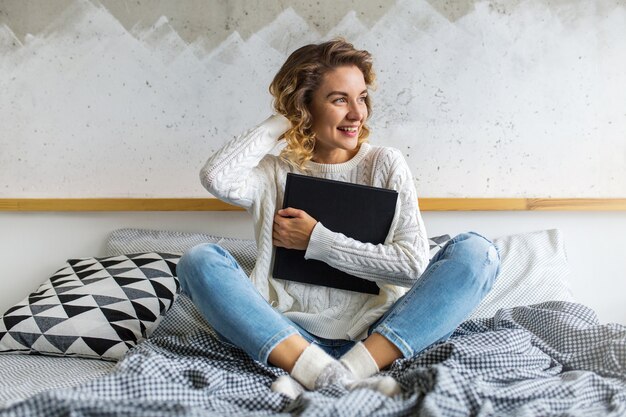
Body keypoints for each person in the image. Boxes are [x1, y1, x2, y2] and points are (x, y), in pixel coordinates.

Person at [177, 39, 500, 399]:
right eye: (339, 99)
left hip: (376, 335)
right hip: (289, 336)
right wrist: (282, 119)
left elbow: (411, 266)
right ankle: (316, 368)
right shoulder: (272, 172)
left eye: (361, 97)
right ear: (306, 105)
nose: (357, 114)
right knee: (198, 260)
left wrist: (317, 240)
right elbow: (216, 177)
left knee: (479, 251)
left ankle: (343, 372)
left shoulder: (384, 163)